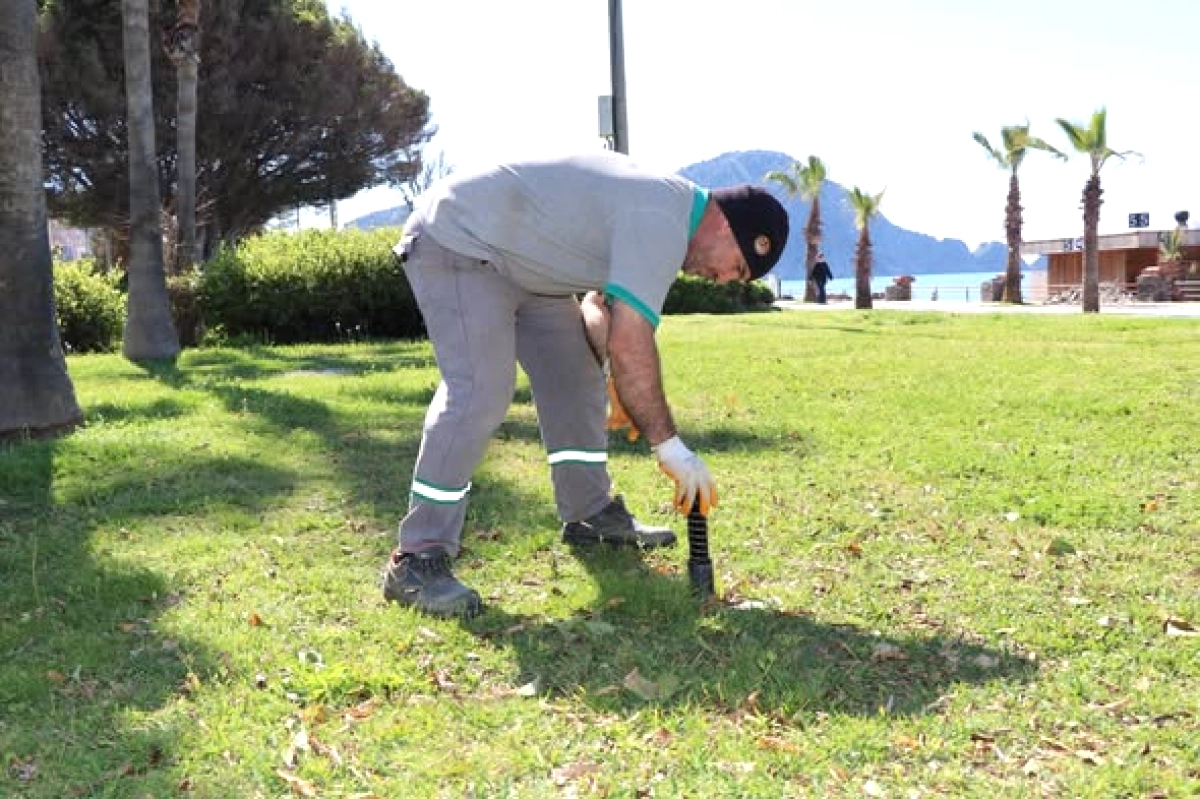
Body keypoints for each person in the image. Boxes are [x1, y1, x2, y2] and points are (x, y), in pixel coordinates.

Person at [381, 150, 789, 617]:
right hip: (459, 240)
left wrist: (612, 375)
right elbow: (632, 339)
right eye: (736, 267)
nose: (722, 280)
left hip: (529, 268)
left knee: (577, 379)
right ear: (727, 225)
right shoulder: (663, 217)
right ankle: (416, 558)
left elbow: (600, 307)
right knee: (480, 390)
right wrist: (669, 446)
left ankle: (588, 513)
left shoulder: (665, 213)